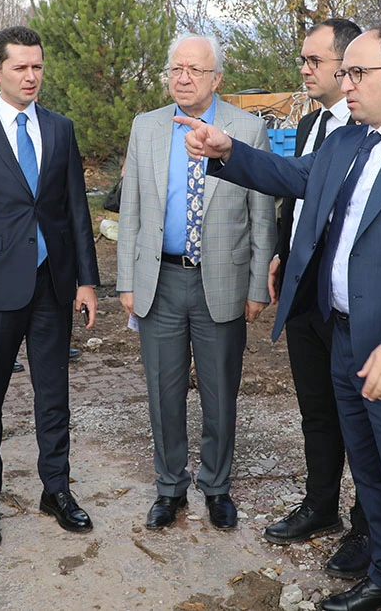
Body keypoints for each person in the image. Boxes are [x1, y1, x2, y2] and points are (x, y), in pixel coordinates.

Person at [182, 27, 381, 611]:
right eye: (342, 73)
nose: (344, 85)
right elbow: (296, 177)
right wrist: (228, 152)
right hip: (344, 342)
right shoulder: (348, 141)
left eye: (356, 74)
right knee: (372, 483)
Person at [0, 25, 100, 551]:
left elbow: (76, 209)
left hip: (52, 285)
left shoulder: (60, 128)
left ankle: (56, 490)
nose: (31, 77)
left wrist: (86, 280)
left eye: (37, 67)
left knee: (53, 397)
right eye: (20, 68)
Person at [117, 34, 275, 532]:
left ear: (217, 79)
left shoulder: (247, 129)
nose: (183, 77)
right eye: (175, 69)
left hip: (222, 282)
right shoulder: (146, 128)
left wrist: (257, 287)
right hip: (159, 282)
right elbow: (132, 211)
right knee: (163, 392)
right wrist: (126, 279)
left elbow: (263, 215)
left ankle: (217, 486)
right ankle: (169, 488)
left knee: (219, 391)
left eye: (195, 70)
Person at [262, 18, 371, 581]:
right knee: (316, 408)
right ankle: (320, 505)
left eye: (314, 60)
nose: (304, 69)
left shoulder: (366, 130)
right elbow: (295, 196)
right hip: (305, 293)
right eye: (302, 60)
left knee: (361, 417)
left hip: (348, 300)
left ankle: (367, 525)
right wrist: (282, 253)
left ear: (346, 63)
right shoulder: (309, 126)